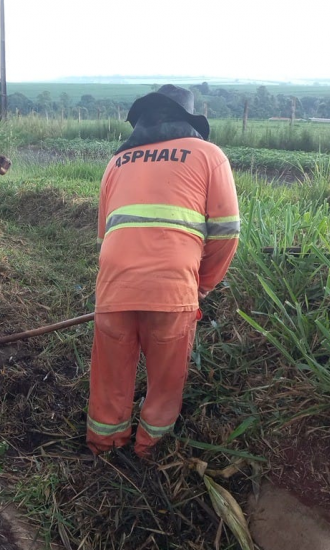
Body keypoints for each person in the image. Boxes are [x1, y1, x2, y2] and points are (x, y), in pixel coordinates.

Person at [86, 84, 240, 460]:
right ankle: (148, 451)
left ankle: (104, 446)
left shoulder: (117, 161)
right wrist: (203, 284)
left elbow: (107, 232)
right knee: (166, 379)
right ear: (188, 120)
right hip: (172, 289)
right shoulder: (208, 155)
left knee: (109, 376)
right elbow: (226, 230)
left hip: (114, 284)